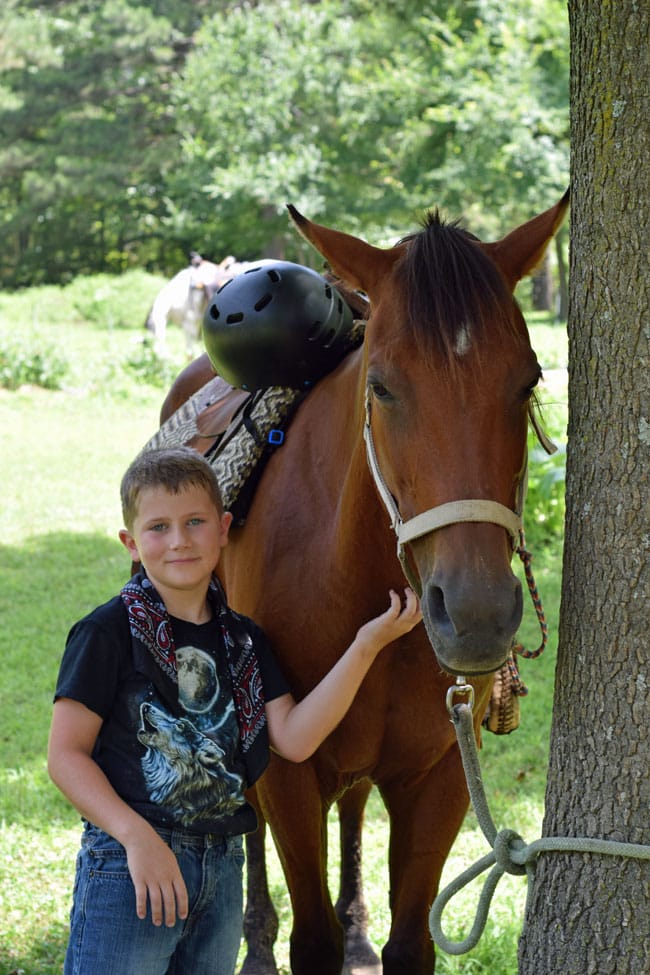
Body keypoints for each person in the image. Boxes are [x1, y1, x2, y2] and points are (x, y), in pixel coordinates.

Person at [48, 446, 422, 975]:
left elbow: (293, 738)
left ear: (224, 530)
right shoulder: (106, 632)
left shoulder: (243, 641)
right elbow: (66, 755)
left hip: (223, 867)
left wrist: (365, 646)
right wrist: (135, 837)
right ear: (131, 543)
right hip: (131, 864)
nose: (179, 540)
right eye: (159, 527)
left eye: (195, 522)